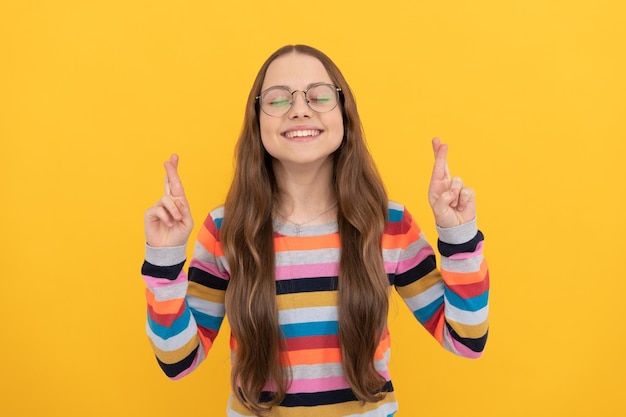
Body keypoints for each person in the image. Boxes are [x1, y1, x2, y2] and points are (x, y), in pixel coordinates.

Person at [141, 44, 489, 417]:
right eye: (277, 100)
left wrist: (459, 236)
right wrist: (165, 259)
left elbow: (466, 340)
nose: (300, 109)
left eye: (319, 96)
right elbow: (179, 361)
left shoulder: (389, 225)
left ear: (344, 113)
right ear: (256, 121)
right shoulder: (226, 230)